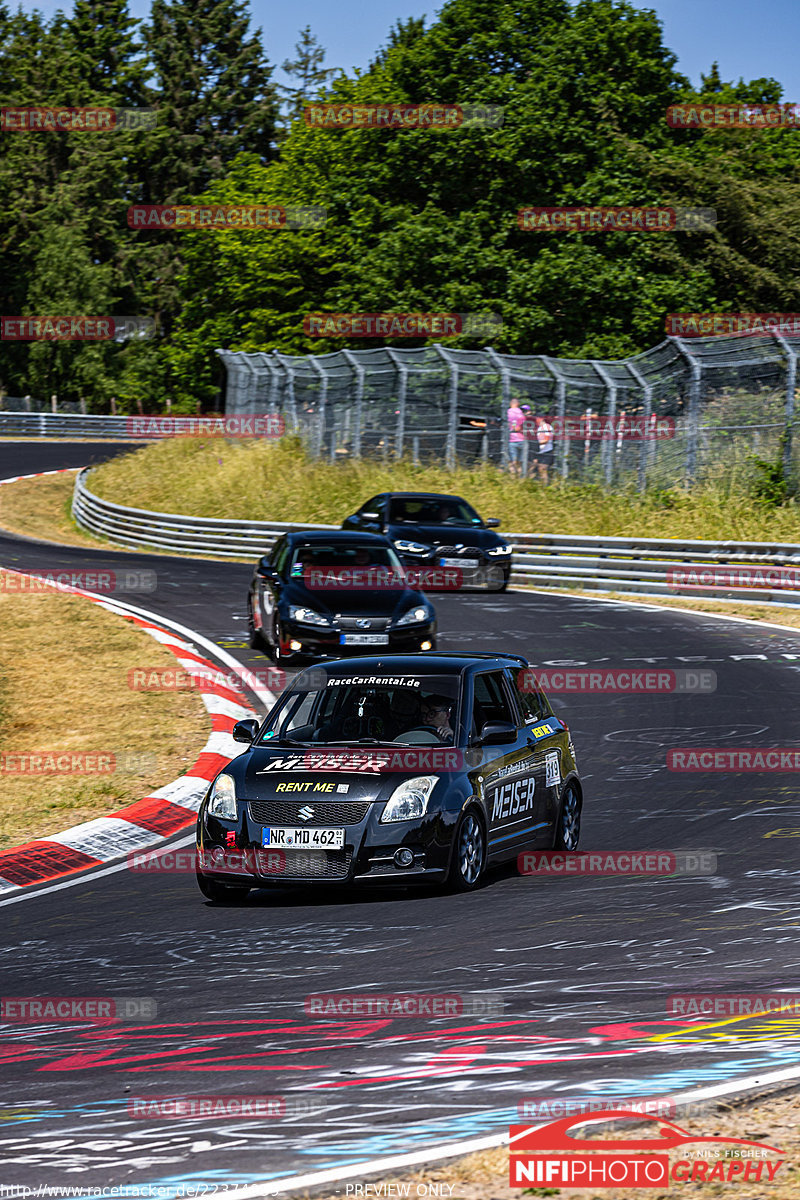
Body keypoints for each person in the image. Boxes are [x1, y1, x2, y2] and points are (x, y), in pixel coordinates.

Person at [507, 397, 525, 475]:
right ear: (518, 404)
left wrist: (513, 427)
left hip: (512, 439)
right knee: (519, 463)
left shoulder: (509, 412)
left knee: (512, 462)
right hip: (521, 439)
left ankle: (513, 480)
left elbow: (513, 425)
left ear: (511, 403)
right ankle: (520, 480)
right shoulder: (521, 413)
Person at [534, 413, 555, 483]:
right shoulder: (539, 428)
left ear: (540, 419)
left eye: (536, 419)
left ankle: (545, 487)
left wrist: (535, 444)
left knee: (543, 470)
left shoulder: (547, 427)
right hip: (541, 452)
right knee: (540, 470)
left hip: (547, 452)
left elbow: (546, 440)